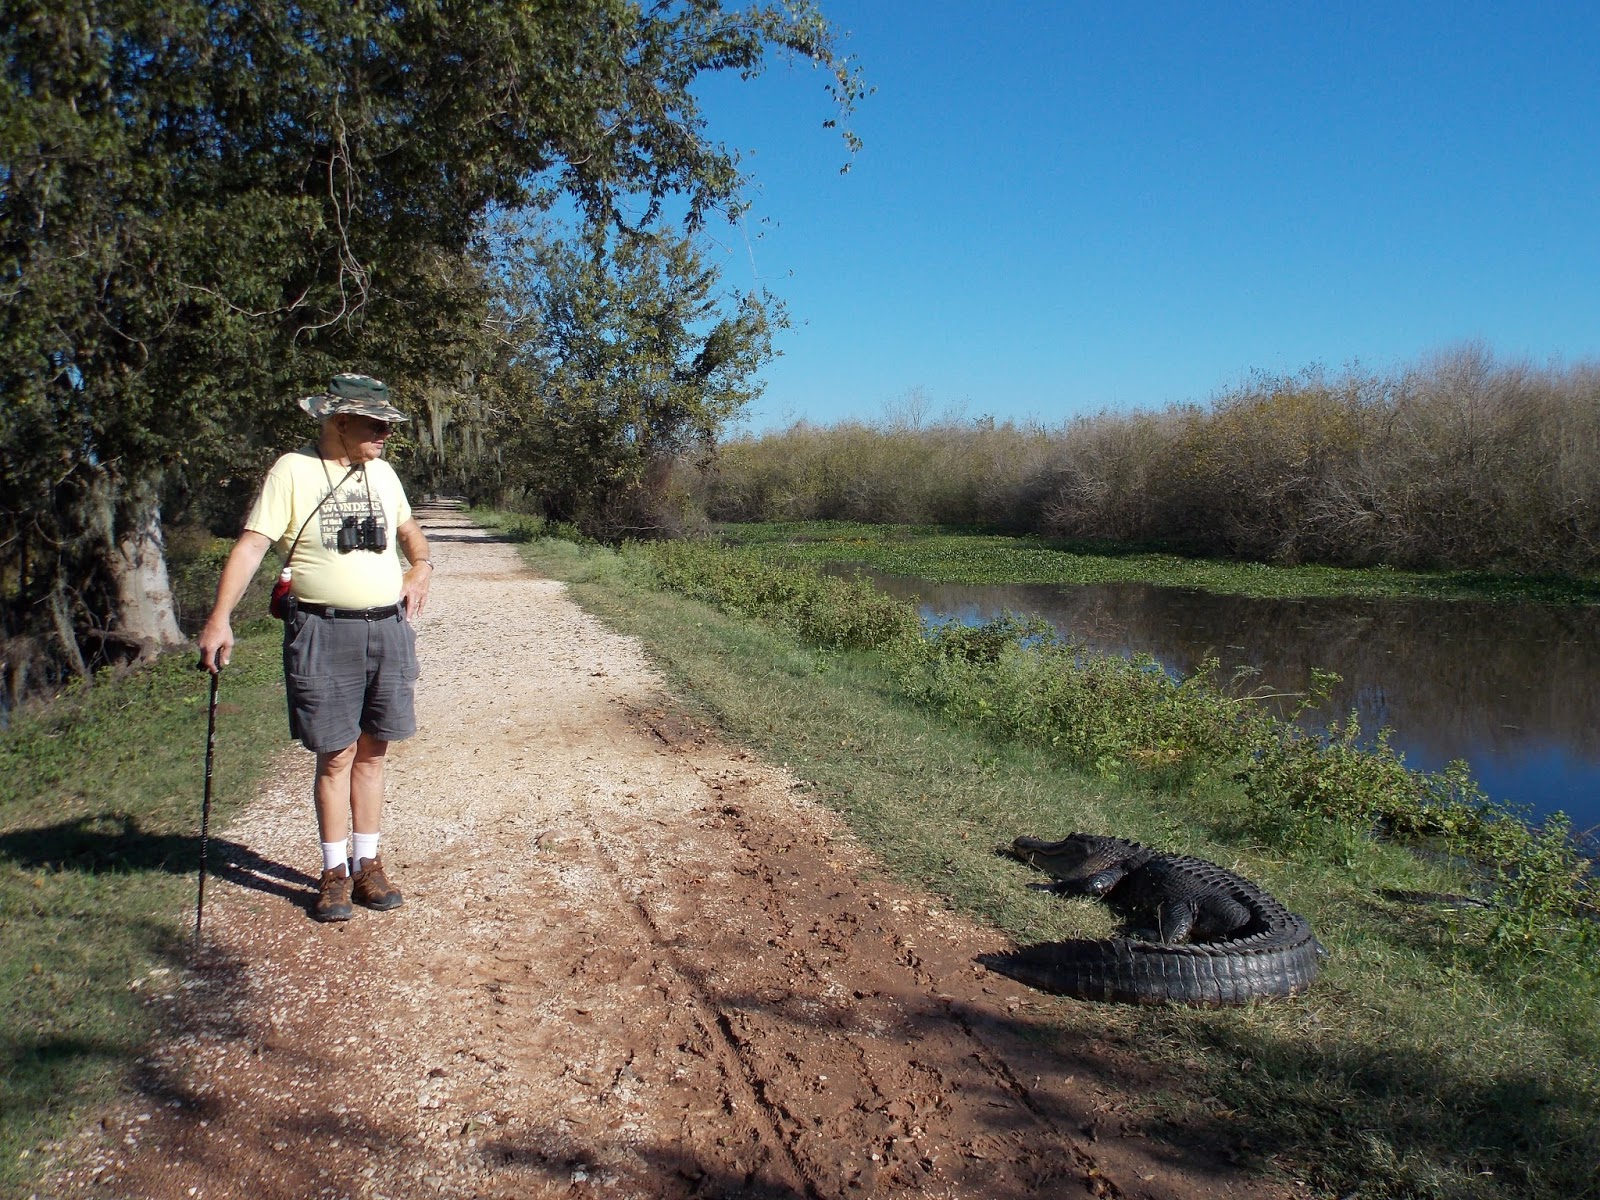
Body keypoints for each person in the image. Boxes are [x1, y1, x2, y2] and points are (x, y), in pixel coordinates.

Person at [197, 373, 433, 922]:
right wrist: (219, 619)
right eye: (374, 424)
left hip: (388, 629)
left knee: (374, 751)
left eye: (387, 424)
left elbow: (410, 531)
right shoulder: (293, 470)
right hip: (323, 631)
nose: (384, 434)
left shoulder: (384, 473)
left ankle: (368, 864)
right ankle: (333, 873)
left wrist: (421, 565)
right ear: (339, 421)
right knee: (336, 754)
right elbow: (253, 545)